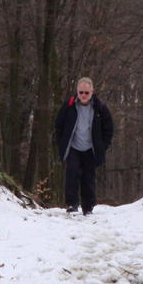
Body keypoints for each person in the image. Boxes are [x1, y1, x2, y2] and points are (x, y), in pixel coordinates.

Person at [55, 77, 113, 215]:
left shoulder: (100, 108)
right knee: (72, 173)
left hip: (91, 149)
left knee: (88, 178)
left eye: (86, 92)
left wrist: (102, 147)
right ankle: (72, 204)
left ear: (92, 92)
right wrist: (62, 143)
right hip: (73, 147)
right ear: (77, 91)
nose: (83, 95)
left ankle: (88, 207)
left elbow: (109, 129)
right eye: (81, 92)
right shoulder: (69, 105)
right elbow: (59, 125)